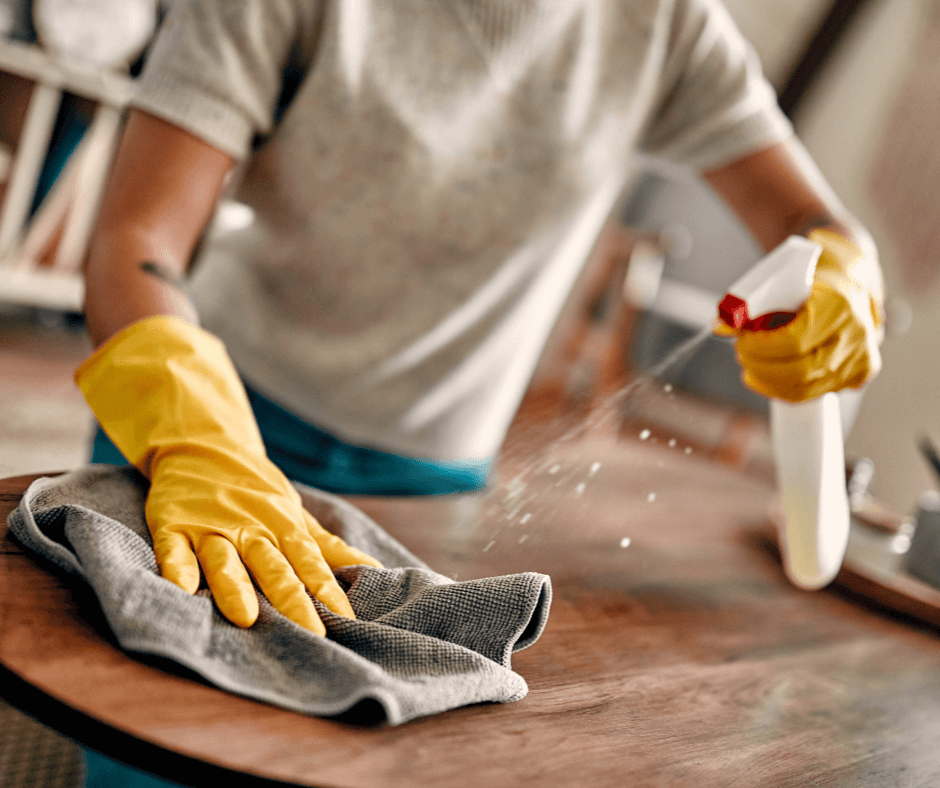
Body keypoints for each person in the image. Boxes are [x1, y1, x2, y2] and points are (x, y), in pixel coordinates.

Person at [76, 0, 882, 783]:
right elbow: (136, 236)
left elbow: (819, 220)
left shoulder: (664, 20)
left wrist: (848, 273)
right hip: (198, 435)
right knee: (158, 743)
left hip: (433, 490)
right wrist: (201, 439)